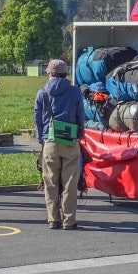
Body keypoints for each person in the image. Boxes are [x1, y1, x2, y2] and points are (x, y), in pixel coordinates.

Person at [34, 59, 86, 230]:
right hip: (70, 140)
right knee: (70, 182)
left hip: (50, 140)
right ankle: (69, 220)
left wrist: (41, 138)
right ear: (65, 74)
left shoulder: (42, 93)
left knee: (50, 181)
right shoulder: (75, 92)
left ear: (50, 73)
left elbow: (37, 118)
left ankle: (53, 219)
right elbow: (80, 116)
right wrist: (80, 133)